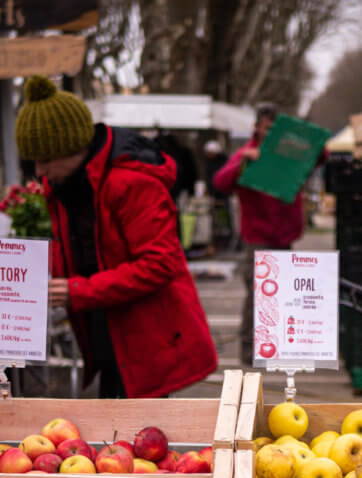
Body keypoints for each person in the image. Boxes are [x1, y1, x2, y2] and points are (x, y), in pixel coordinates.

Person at [13, 75, 217, 398]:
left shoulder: (133, 183)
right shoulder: (63, 185)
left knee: (143, 427)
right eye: (33, 162)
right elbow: (80, 248)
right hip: (106, 333)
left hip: (146, 337)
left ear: (73, 148)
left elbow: (159, 264)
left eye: (45, 160)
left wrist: (77, 291)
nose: (39, 171)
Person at [212, 104, 322, 365]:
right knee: (258, 293)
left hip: (285, 235)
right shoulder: (247, 153)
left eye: (276, 128)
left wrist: (299, 136)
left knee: (283, 295)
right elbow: (220, 183)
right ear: (257, 127)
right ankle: (250, 351)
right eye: (267, 127)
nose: (271, 133)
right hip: (258, 237)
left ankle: (276, 347)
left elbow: (321, 154)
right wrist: (244, 161)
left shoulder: (289, 152)